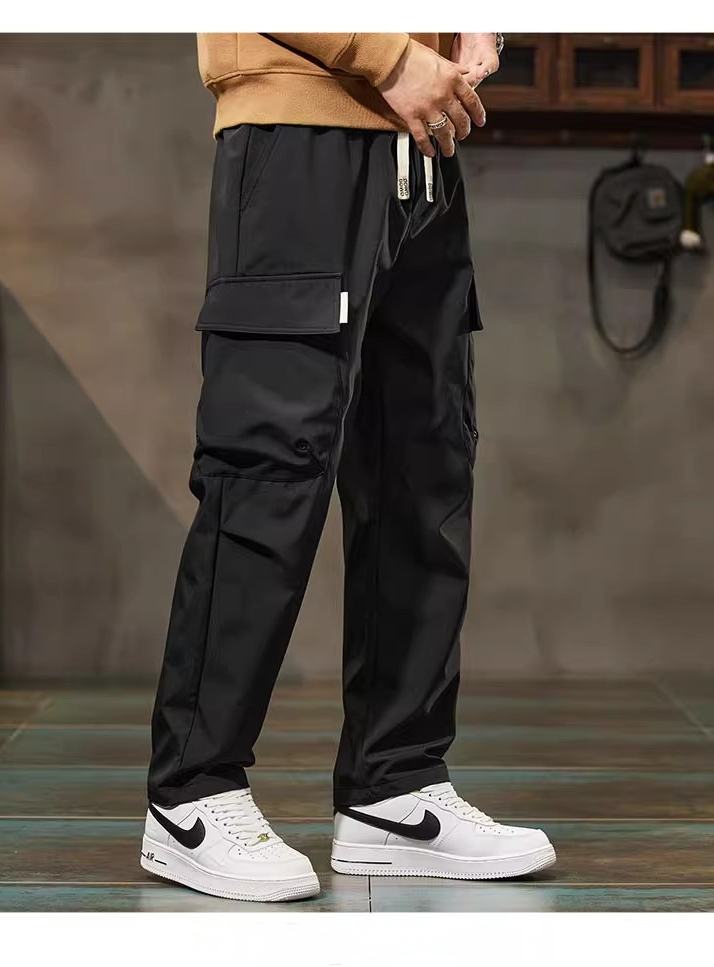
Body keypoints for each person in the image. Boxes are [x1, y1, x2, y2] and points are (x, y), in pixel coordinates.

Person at [141, 32, 556, 902]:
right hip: (301, 135)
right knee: (268, 465)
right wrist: (389, 56)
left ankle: (392, 786)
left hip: (424, 148)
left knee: (424, 466)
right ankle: (190, 792)